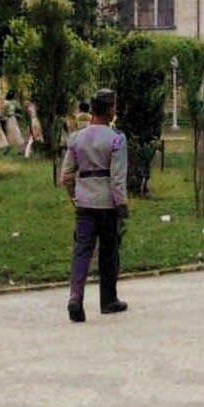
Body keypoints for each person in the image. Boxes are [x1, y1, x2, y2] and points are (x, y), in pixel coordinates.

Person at [60, 89, 129, 323]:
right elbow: (117, 178)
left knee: (82, 250)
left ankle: (75, 297)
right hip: (108, 203)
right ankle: (108, 300)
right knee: (109, 251)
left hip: (84, 202)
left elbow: (66, 176)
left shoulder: (76, 138)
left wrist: (75, 196)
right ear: (109, 110)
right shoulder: (116, 139)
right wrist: (122, 204)